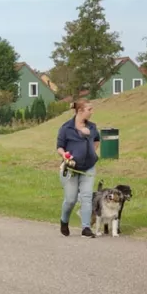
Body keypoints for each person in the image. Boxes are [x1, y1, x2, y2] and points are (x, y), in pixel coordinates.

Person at [56, 98, 100, 237]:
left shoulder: (92, 127)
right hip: (71, 169)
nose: (92, 112)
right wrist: (65, 155)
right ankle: (64, 221)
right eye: (89, 109)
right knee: (70, 200)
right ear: (80, 111)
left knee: (87, 197)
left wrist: (92, 151)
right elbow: (59, 147)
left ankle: (86, 228)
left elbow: (97, 139)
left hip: (88, 168)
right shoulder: (66, 128)